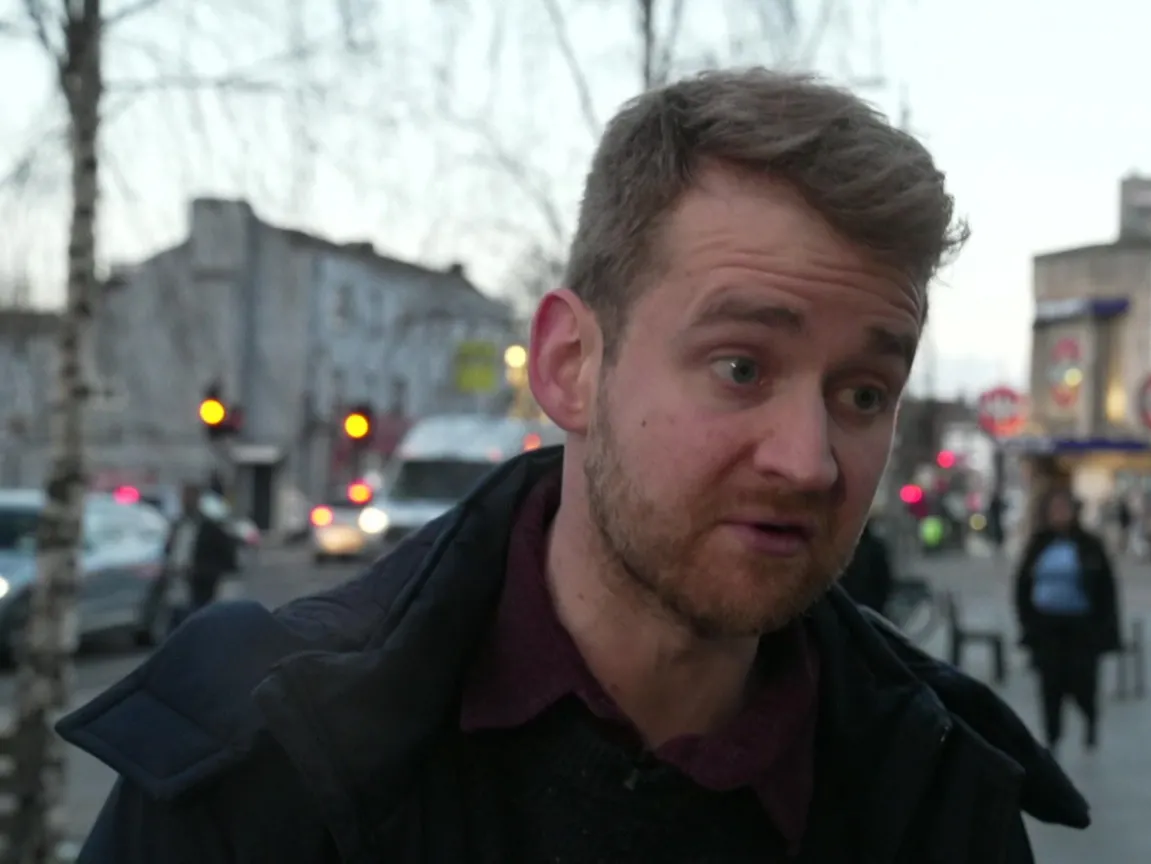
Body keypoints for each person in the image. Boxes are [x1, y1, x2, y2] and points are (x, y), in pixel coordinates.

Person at [62, 70, 1089, 862]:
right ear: (570, 367)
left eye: (864, 393)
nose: (810, 459)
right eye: (741, 366)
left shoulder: (936, 788)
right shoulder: (265, 763)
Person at [1013, 491, 1123, 754]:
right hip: (1046, 627)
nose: (1059, 515)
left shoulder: (1089, 545)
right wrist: (1027, 621)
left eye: (1064, 509)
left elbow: (1106, 589)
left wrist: (1106, 630)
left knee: (1082, 683)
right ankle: (1052, 737)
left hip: (1081, 628)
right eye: (1054, 509)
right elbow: (1022, 584)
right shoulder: (1038, 544)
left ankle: (1090, 719)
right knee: (1050, 685)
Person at [163, 482, 238, 614]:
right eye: (184, 498)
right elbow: (170, 551)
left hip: (200, 588)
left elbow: (227, 558)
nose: (186, 502)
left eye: (190, 498)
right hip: (176, 588)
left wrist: (202, 572)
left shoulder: (209, 528)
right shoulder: (178, 525)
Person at [840, 522, 896, 618]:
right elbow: (884, 583)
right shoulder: (876, 547)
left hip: (847, 610)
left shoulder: (843, 551)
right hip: (872, 611)